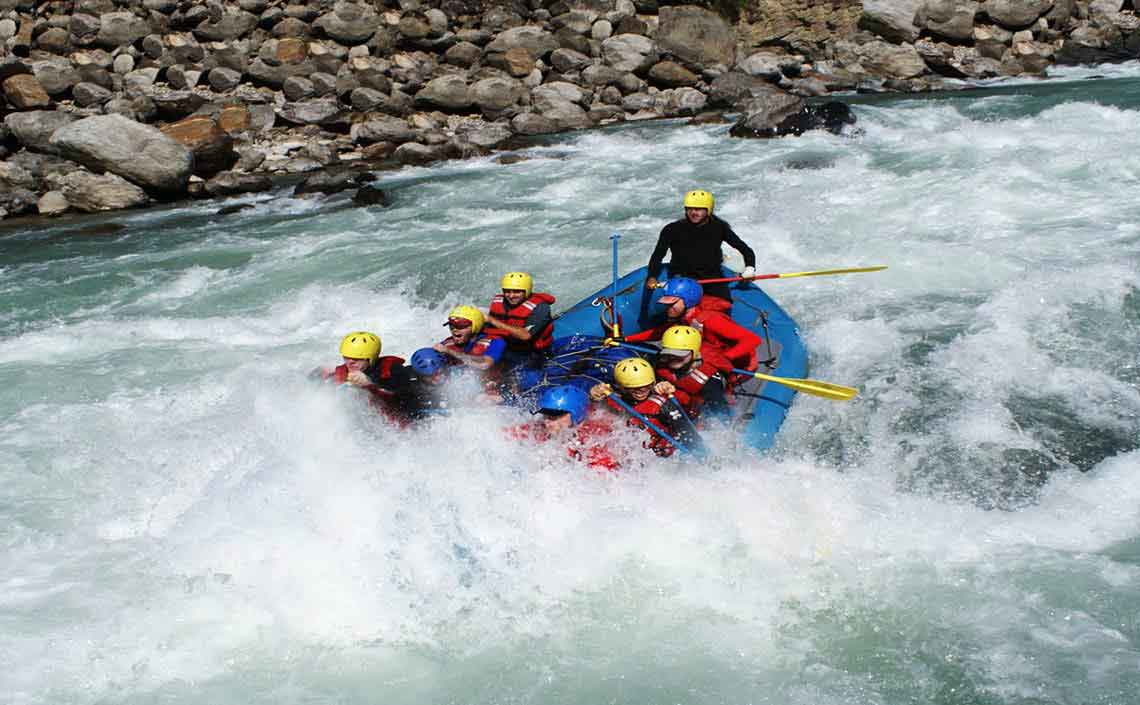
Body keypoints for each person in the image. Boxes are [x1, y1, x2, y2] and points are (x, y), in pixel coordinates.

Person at [644, 189, 757, 303]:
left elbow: (746, 250)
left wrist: (749, 269)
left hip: (712, 278)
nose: (693, 212)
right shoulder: (672, 229)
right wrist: (652, 277)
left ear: (708, 210)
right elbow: (658, 256)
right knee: (677, 309)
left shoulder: (719, 228)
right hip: (682, 279)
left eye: (698, 209)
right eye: (689, 209)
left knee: (723, 305)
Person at [628, 277, 763, 372]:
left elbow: (752, 339)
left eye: (673, 303)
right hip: (711, 357)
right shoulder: (683, 318)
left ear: (688, 301)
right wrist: (627, 339)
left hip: (737, 364)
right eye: (666, 304)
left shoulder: (711, 319)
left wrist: (725, 358)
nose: (668, 308)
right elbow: (662, 332)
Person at [508, 384, 620, 471]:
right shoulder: (540, 428)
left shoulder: (593, 441)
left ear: (576, 414)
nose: (547, 421)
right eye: (546, 414)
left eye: (555, 415)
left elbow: (605, 477)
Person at [588, 356, 679, 456]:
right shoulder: (614, 399)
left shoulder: (662, 402)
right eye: (633, 388)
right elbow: (597, 413)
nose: (641, 391)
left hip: (662, 453)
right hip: (634, 454)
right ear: (621, 387)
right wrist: (595, 397)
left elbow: (683, 425)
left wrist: (670, 392)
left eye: (646, 386)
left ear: (653, 383)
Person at [650, 325, 732, 418]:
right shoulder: (658, 361)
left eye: (680, 353)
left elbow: (722, 413)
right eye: (668, 353)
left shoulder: (710, 382)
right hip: (674, 403)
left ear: (694, 352)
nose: (672, 357)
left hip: (696, 413)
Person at [313, 330, 410, 406]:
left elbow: (403, 400)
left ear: (371, 358)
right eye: (346, 357)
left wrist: (370, 384)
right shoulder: (343, 371)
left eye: (357, 358)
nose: (350, 362)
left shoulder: (392, 370)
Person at [483, 271, 556, 370]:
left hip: (532, 353)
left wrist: (492, 320)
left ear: (526, 291)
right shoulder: (499, 302)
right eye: (507, 291)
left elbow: (525, 335)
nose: (511, 295)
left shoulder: (541, 307)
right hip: (506, 347)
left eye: (517, 291)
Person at [435, 305, 506, 371]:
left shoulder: (495, 342)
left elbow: (485, 365)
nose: (455, 330)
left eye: (461, 326)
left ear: (475, 327)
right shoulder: (447, 344)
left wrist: (450, 352)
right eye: (452, 325)